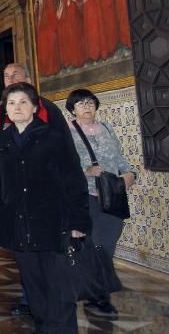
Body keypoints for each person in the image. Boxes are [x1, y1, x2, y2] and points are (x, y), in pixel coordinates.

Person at [0, 82, 91, 333]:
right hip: (18, 225)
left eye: (23, 102)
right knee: (34, 288)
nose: (16, 107)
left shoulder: (53, 138)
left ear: (34, 107)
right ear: (5, 110)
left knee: (59, 289)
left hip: (52, 223)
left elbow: (73, 180)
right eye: (11, 103)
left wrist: (78, 222)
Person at [66, 88, 137, 316]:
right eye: (80, 103)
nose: (86, 106)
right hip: (85, 197)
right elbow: (61, 167)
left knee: (107, 246)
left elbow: (120, 159)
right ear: (72, 109)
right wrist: (86, 170)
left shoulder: (106, 128)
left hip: (112, 196)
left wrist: (129, 175)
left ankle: (96, 292)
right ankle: (99, 297)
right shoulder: (67, 133)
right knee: (94, 246)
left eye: (90, 102)